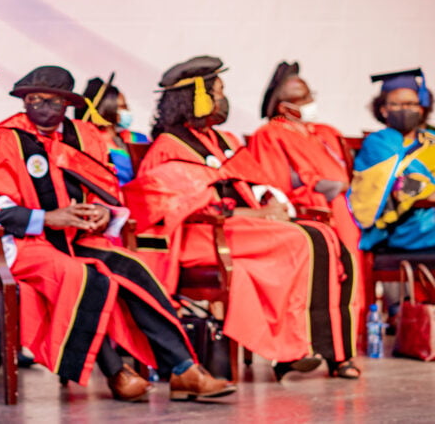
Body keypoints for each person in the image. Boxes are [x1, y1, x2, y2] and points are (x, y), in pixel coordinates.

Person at [0, 65, 235, 403]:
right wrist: (49, 217)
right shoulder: (1, 139)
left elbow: (108, 192)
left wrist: (102, 213)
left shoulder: (84, 137)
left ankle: (184, 370)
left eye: (52, 100)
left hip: (80, 239)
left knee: (134, 270)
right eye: (33, 99)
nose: (41, 106)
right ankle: (116, 374)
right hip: (26, 244)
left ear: (67, 103)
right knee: (89, 279)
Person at [125, 56, 359, 381]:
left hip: (244, 232)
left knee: (325, 236)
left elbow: (254, 182)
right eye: (218, 92)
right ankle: (298, 348)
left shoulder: (225, 141)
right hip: (200, 237)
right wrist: (255, 214)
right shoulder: (169, 147)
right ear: (197, 98)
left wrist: (269, 201)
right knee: (301, 239)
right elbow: (176, 207)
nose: (224, 100)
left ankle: (316, 349)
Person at [247, 61, 362, 276]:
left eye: (310, 96)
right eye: (302, 99)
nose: (310, 103)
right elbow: (276, 187)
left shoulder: (325, 132)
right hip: (312, 209)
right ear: (284, 107)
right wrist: (329, 188)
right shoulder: (269, 135)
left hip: (348, 204)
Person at [348, 68, 435, 251]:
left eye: (411, 103)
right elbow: (388, 187)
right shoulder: (378, 143)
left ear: (421, 108)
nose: (405, 109)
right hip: (404, 225)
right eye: (396, 104)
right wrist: (428, 191)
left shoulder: (431, 140)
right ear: (383, 109)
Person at [74, 74, 149, 185]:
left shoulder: (138, 139)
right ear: (107, 109)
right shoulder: (91, 147)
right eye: (122, 107)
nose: (127, 111)